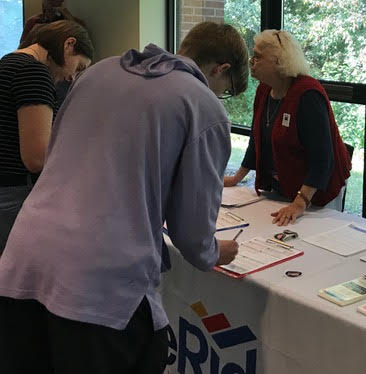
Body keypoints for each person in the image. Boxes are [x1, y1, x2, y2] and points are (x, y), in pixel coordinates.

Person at [0, 22, 248, 373]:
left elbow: (55, 158)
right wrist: (213, 252)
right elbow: (192, 233)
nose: (220, 96)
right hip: (98, 286)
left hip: (23, 263)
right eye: (226, 90)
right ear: (220, 69)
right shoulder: (202, 104)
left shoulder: (99, 71)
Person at [224, 29, 351, 226]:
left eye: (258, 57)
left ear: (278, 61)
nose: (251, 62)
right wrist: (236, 178)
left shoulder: (308, 95)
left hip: (316, 196)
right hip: (283, 190)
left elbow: (322, 159)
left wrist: (300, 202)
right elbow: (256, 140)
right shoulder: (264, 90)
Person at [0, 20, 93, 253]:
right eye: (79, 67)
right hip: (12, 194)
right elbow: (37, 158)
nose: (73, 77)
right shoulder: (34, 71)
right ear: (69, 45)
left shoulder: (7, 62)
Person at [19, 0, 88, 108]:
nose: (52, 8)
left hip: (63, 73)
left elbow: (83, 43)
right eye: (49, 4)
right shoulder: (34, 23)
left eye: (57, 4)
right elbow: (23, 47)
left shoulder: (74, 22)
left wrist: (66, 16)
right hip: (41, 71)